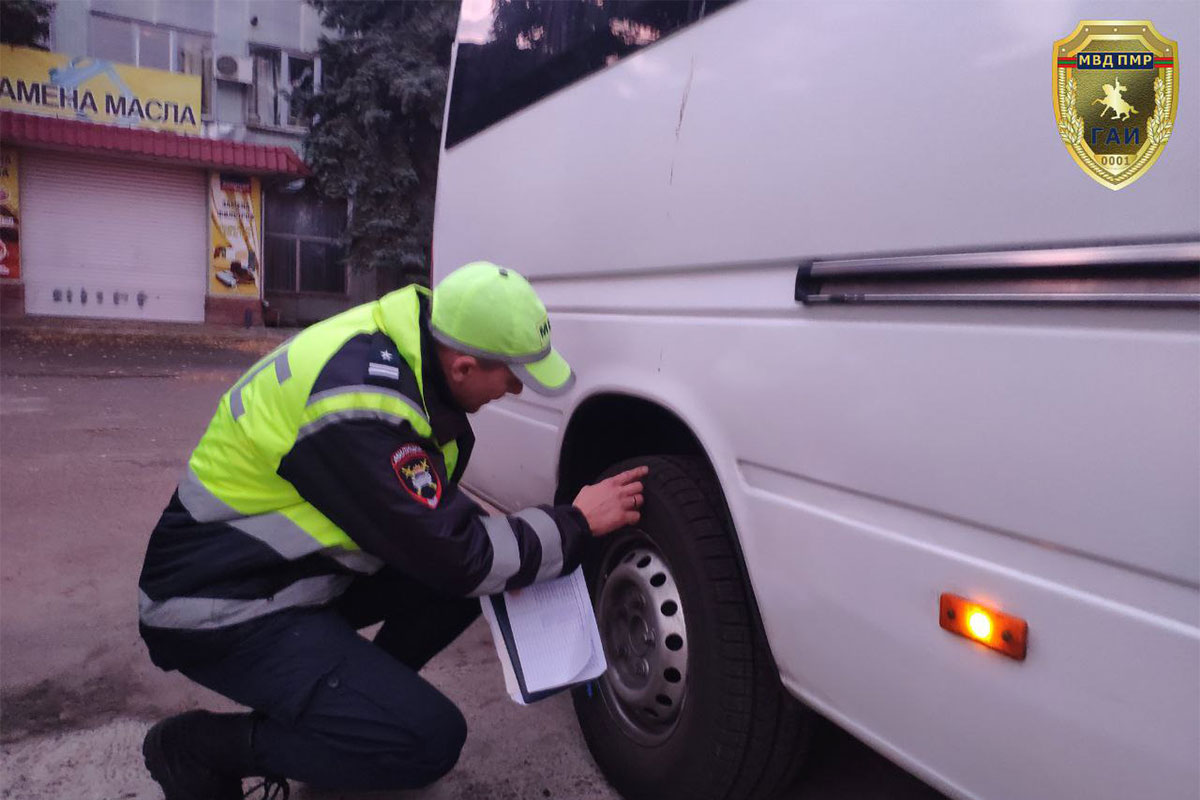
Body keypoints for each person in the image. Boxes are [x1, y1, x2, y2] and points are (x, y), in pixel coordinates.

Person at [137, 261, 647, 799]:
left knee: (468, 580)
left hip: (281, 574)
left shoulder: (406, 349)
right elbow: (459, 556)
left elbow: (442, 535)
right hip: (217, 604)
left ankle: (348, 720)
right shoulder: (359, 406)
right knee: (426, 740)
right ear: (463, 366)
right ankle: (199, 748)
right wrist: (576, 522)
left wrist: (512, 548)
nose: (517, 388)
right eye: (511, 375)